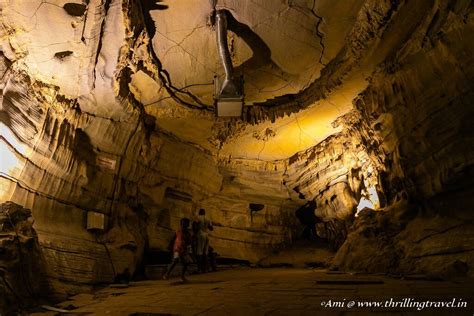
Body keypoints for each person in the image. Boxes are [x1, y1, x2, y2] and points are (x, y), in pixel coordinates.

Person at [163, 217, 192, 282]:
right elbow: (173, 238)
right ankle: (166, 274)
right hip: (177, 248)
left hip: (183, 250)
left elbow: (189, 243)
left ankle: (182, 276)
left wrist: (188, 251)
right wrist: (169, 245)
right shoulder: (178, 231)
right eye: (182, 224)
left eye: (185, 224)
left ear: (187, 225)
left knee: (186, 263)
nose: (183, 225)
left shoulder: (188, 233)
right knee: (175, 260)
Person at [192, 209, 213, 273]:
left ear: (199, 212)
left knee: (199, 252)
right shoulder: (208, 218)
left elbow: (195, 226)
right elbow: (211, 228)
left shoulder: (197, 217)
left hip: (200, 234)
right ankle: (206, 268)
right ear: (204, 213)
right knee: (205, 253)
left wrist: (194, 234)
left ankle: (199, 269)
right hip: (206, 235)